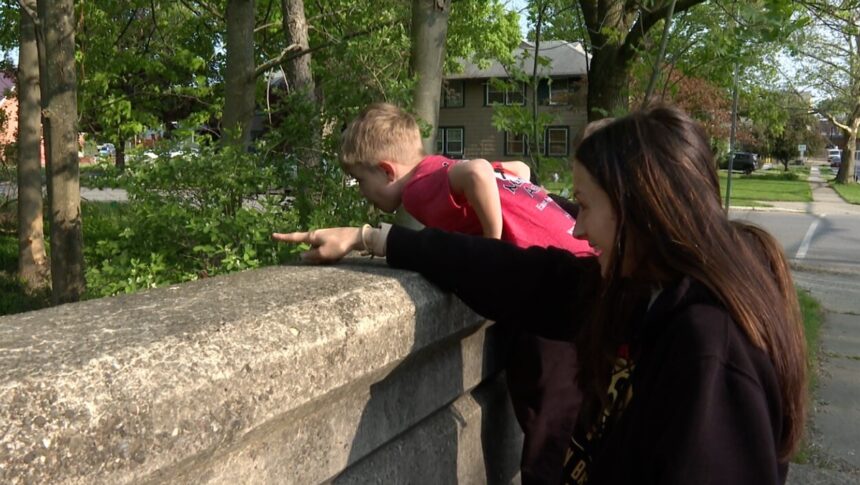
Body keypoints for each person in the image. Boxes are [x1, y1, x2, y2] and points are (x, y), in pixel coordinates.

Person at [274, 104, 807, 484]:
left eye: (586, 206)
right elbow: (516, 274)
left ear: (642, 212)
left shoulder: (710, 348)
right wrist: (375, 239)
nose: (575, 230)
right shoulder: (636, 290)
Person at [337, 102, 596, 483]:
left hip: (550, 298)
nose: (363, 193)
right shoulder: (440, 166)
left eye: (361, 181)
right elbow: (520, 170)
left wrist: (492, 247)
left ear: (387, 170)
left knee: (547, 427)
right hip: (580, 272)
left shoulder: (418, 189)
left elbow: (477, 173)